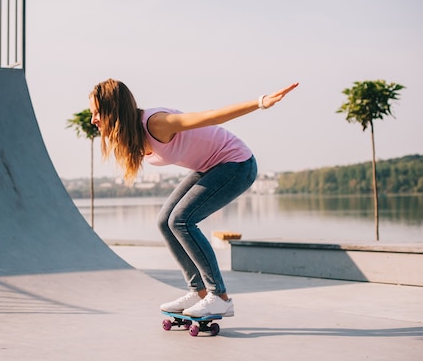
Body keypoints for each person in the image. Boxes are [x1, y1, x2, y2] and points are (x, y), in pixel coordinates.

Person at [89, 78, 299, 317]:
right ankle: (198, 291)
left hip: (236, 163)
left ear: (113, 110)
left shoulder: (156, 123)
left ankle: (219, 296)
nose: (93, 119)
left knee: (181, 220)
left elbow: (212, 117)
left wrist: (261, 102)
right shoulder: (133, 135)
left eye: (97, 112)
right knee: (165, 221)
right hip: (210, 166)